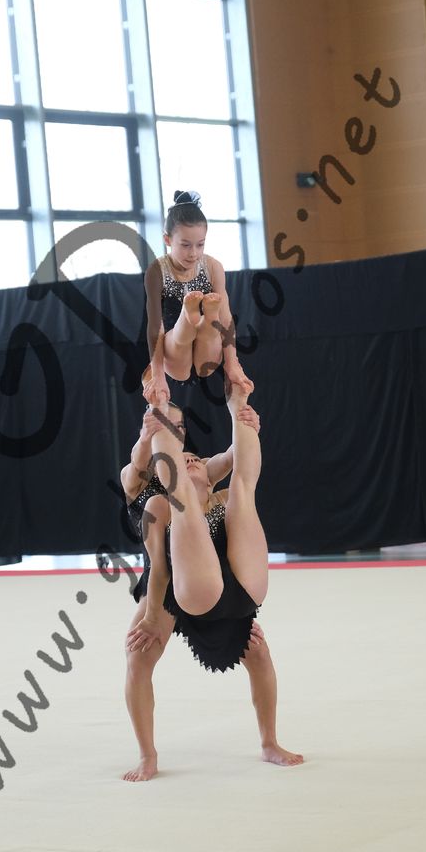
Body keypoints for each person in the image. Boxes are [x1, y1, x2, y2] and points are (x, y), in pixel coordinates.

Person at [119, 380, 303, 781]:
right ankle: (147, 755)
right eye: (179, 450)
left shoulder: (211, 486)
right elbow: (159, 564)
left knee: (259, 653)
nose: (190, 458)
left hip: (215, 581)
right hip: (166, 585)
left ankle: (269, 742)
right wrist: (150, 430)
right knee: (137, 657)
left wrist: (247, 420)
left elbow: (237, 456)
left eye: (195, 458)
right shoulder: (149, 490)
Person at [142, 190, 249, 404]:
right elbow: (155, 327)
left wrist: (232, 364)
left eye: (200, 244)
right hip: (175, 354)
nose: (193, 253)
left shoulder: (213, 267)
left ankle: (203, 315)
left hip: (207, 357)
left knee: (213, 325)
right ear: (167, 239)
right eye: (185, 245)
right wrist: (158, 375)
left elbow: (226, 318)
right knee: (180, 336)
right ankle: (189, 315)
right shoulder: (156, 271)